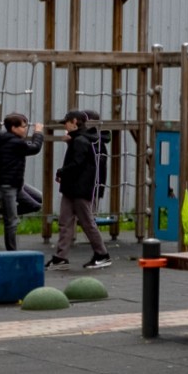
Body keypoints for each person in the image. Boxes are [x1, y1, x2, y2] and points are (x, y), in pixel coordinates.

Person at [50, 110, 112, 268]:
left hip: (80, 188)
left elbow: (77, 163)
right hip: (73, 187)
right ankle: (60, 256)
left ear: (74, 122)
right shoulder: (83, 139)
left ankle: (102, 254)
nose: (65, 126)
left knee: (86, 222)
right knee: (65, 221)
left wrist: (61, 172)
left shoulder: (81, 141)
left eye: (66, 122)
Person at [0, 113, 43, 251]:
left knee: (37, 203)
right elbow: (35, 148)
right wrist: (38, 132)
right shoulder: (15, 143)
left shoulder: (4, 140)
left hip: (16, 184)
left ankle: (4, 211)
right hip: (7, 186)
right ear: (13, 128)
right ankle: (12, 252)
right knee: (11, 222)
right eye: (23, 127)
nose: (25, 130)